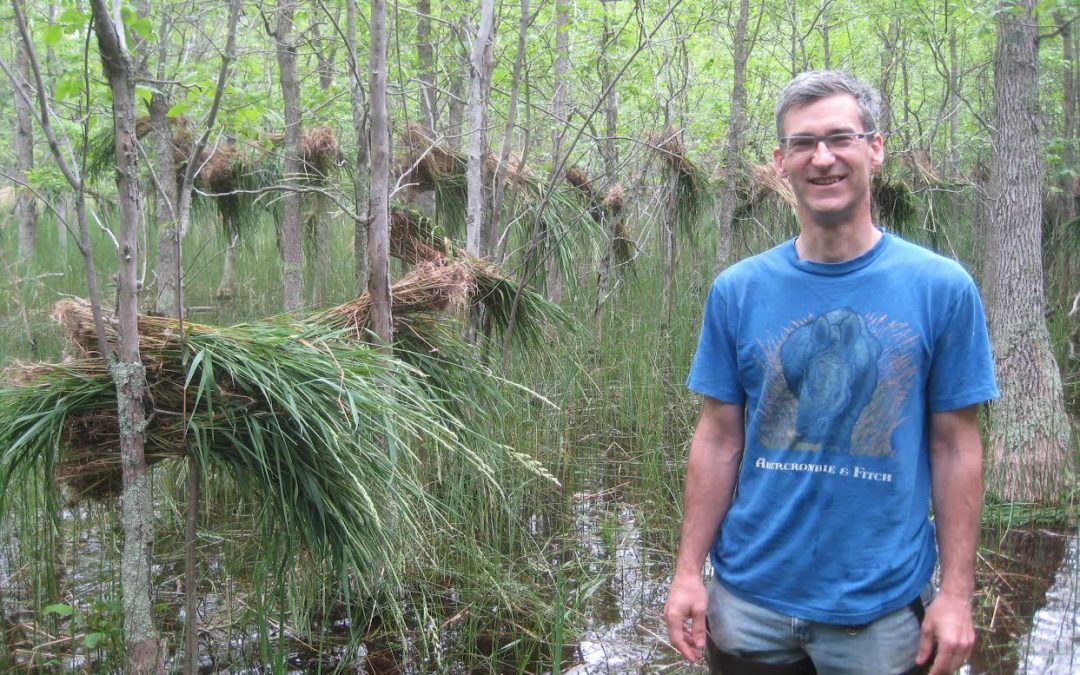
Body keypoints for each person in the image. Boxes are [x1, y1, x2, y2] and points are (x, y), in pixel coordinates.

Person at [663, 70, 999, 675]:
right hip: (748, 605)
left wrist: (956, 595)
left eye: (841, 138)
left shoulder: (941, 288)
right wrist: (689, 573)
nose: (823, 158)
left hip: (879, 614)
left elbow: (955, 447)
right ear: (780, 161)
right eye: (803, 143)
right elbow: (717, 438)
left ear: (874, 148)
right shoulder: (737, 291)